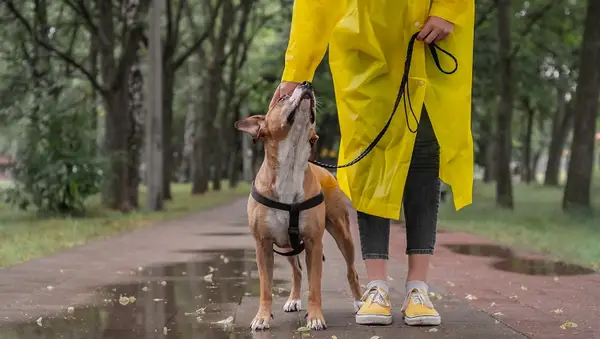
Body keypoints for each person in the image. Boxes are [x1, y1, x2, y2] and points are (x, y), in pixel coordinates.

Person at [269, 0, 475, 326]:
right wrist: (295, 72)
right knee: (371, 160)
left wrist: (449, 8)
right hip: (363, 44)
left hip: (427, 33)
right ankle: (376, 287)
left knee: (423, 156)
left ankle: (418, 289)